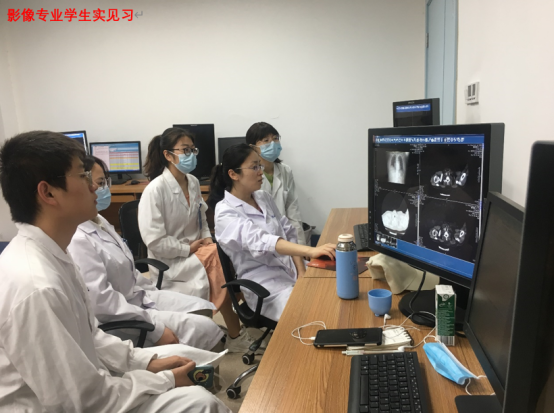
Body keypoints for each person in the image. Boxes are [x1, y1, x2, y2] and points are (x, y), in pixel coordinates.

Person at [0, 131, 231, 412]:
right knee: (200, 403)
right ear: (48, 192)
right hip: (68, 404)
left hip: (92, 378)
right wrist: (164, 380)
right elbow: (83, 401)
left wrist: (146, 362)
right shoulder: (37, 287)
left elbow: (91, 336)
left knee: (194, 357)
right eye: (83, 176)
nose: (94, 187)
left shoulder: (55, 254)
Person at [67, 155, 224, 350]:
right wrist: (156, 330)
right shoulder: (78, 239)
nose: (102, 189)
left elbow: (129, 272)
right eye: (99, 183)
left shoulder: (99, 221)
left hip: (140, 295)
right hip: (125, 317)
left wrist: (154, 295)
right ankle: (197, 363)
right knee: (206, 330)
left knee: (203, 307)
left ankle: (197, 357)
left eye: (105, 182)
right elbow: (104, 304)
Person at [139, 127, 258, 352]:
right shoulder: (155, 190)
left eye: (192, 150)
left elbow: (201, 219)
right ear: (168, 155)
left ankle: (238, 322)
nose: (191, 155)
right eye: (185, 150)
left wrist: (207, 241)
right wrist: (188, 248)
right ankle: (236, 328)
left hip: (199, 251)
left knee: (222, 252)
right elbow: (154, 241)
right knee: (220, 261)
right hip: (171, 260)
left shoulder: (192, 182)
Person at [208, 144, 336, 322]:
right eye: (254, 167)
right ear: (233, 174)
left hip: (292, 268)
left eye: (259, 165)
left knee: (333, 291)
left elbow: (288, 232)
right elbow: (262, 240)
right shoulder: (225, 213)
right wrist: (310, 250)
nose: (261, 172)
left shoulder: (263, 197)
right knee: (312, 313)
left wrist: (301, 272)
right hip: (265, 285)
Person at [245, 122, 308, 245]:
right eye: (266, 140)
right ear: (253, 147)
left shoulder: (285, 170)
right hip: (260, 240)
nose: (273, 143)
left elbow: (293, 210)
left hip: (285, 237)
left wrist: (300, 243)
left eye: (275, 138)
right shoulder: (249, 174)